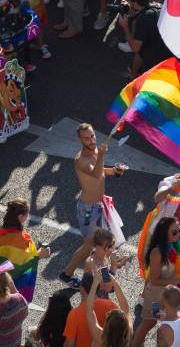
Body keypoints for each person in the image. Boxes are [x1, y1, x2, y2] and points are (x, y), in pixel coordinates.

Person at [59, 123, 126, 289]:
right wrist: (102, 155)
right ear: (80, 139)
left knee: (104, 244)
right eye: (86, 138)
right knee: (90, 245)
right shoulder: (80, 159)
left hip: (99, 205)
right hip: (88, 210)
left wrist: (114, 171)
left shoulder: (95, 152)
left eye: (92, 136)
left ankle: (104, 279)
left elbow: (101, 170)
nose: (91, 140)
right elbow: (96, 174)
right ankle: (67, 274)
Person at [134, 217, 180, 347]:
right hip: (156, 297)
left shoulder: (176, 246)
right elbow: (154, 280)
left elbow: (175, 271)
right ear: (164, 233)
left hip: (170, 294)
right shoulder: (157, 253)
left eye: (179, 230)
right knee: (149, 323)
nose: (178, 234)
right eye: (174, 232)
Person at [0, 198, 50, 303]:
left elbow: (7, 258)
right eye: (27, 215)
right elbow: (22, 263)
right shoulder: (22, 238)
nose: (27, 217)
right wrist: (40, 255)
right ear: (20, 217)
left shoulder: (1, 231)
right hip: (12, 283)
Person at [117, 0, 170, 80]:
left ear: (135, 3)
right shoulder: (155, 6)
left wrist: (125, 27)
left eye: (128, 0)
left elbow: (135, 48)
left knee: (141, 52)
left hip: (156, 54)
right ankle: (134, 73)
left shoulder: (144, 19)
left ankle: (134, 79)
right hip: (166, 45)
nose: (126, 2)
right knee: (141, 52)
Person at [63, 272, 117, 347]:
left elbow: (69, 344)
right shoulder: (112, 306)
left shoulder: (75, 314)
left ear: (81, 289)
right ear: (98, 288)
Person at [86, 270, 132, 347]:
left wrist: (95, 283)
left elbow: (88, 310)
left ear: (107, 323)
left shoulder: (100, 337)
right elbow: (125, 308)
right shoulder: (128, 335)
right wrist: (115, 283)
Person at [84, 228, 128, 299]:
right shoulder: (93, 263)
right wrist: (113, 264)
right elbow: (107, 287)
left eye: (113, 244)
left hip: (98, 295)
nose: (113, 249)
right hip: (95, 300)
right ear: (98, 247)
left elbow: (107, 272)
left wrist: (120, 264)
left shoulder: (101, 256)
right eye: (109, 246)